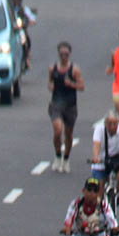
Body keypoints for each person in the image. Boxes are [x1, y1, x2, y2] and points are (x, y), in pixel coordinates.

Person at [48, 41, 86, 172]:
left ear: (69, 54)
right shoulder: (52, 68)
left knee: (68, 134)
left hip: (70, 105)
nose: (64, 56)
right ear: (58, 54)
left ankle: (66, 159)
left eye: (66, 54)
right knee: (57, 130)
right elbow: (50, 82)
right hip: (56, 103)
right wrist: (51, 86)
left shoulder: (74, 70)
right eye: (61, 54)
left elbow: (82, 86)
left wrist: (71, 84)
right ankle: (58, 155)